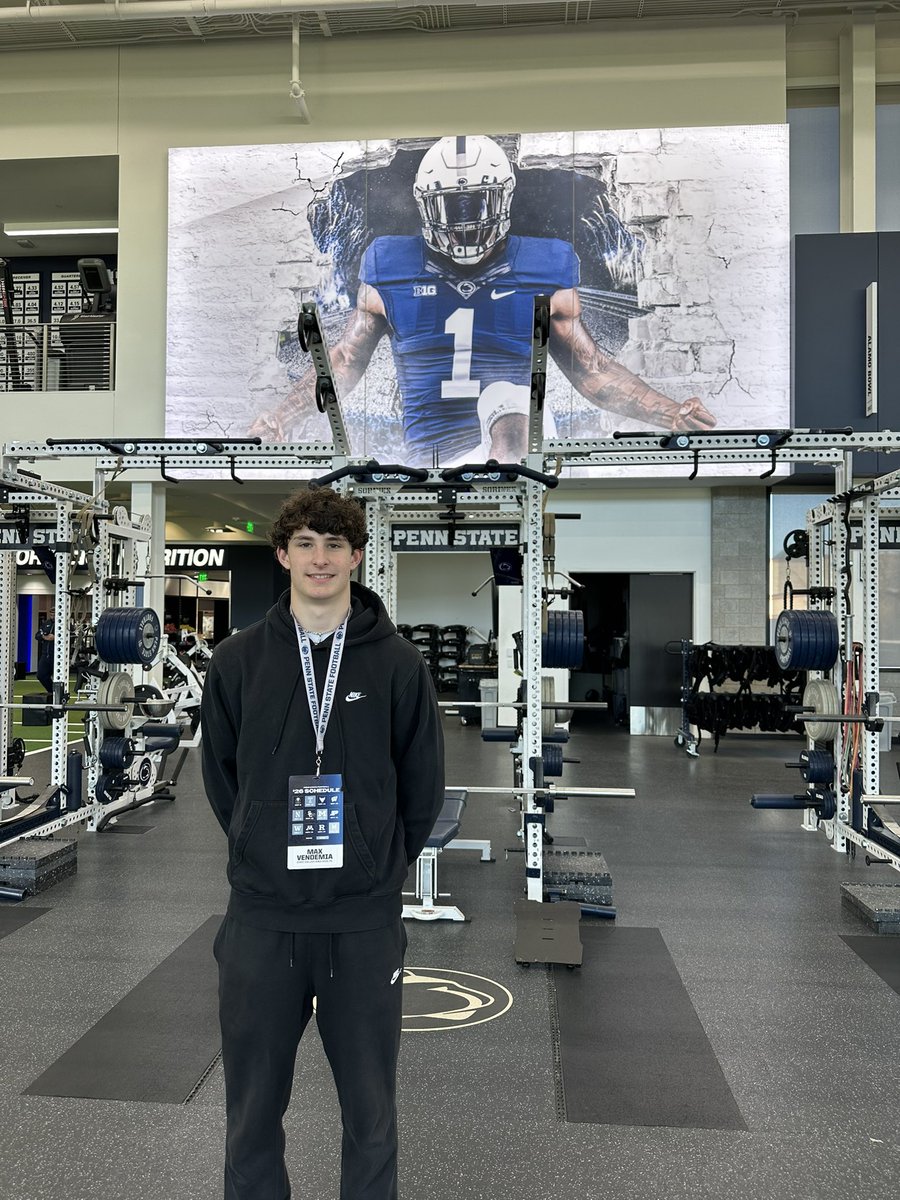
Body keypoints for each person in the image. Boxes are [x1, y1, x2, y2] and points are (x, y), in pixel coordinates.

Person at [201, 486, 445, 1200]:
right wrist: (257, 845)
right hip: (261, 921)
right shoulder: (237, 661)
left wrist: (374, 870)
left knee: (370, 1117)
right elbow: (222, 781)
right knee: (250, 1117)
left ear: (357, 557)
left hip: (361, 926)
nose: (320, 558)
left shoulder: (398, 664)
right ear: (281, 555)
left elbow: (422, 787)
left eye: (334, 544)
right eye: (305, 543)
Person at [248, 134, 716, 462]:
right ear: (425, 204)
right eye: (452, 205)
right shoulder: (388, 264)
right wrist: (281, 417)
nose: (465, 219)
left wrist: (668, 412)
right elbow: (345, 360)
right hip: (430, 458)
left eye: (476, 204)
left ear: (503, 200)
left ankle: (502, 474)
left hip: (517, 451)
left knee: (508, 395)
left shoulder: (545, 265)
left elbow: (592, 371)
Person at [35, 616, 55, 694]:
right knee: (41, 675)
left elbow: (72, 636)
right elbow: (37, 636)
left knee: (59, 678)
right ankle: (52, 691)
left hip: (57, 656)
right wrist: (44, 637)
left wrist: (56, 637)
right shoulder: (46, 623)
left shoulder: (65, 624)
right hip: (45, 655)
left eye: (54, 613)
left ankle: (58, 694)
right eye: (51, 613)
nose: (52, 615)